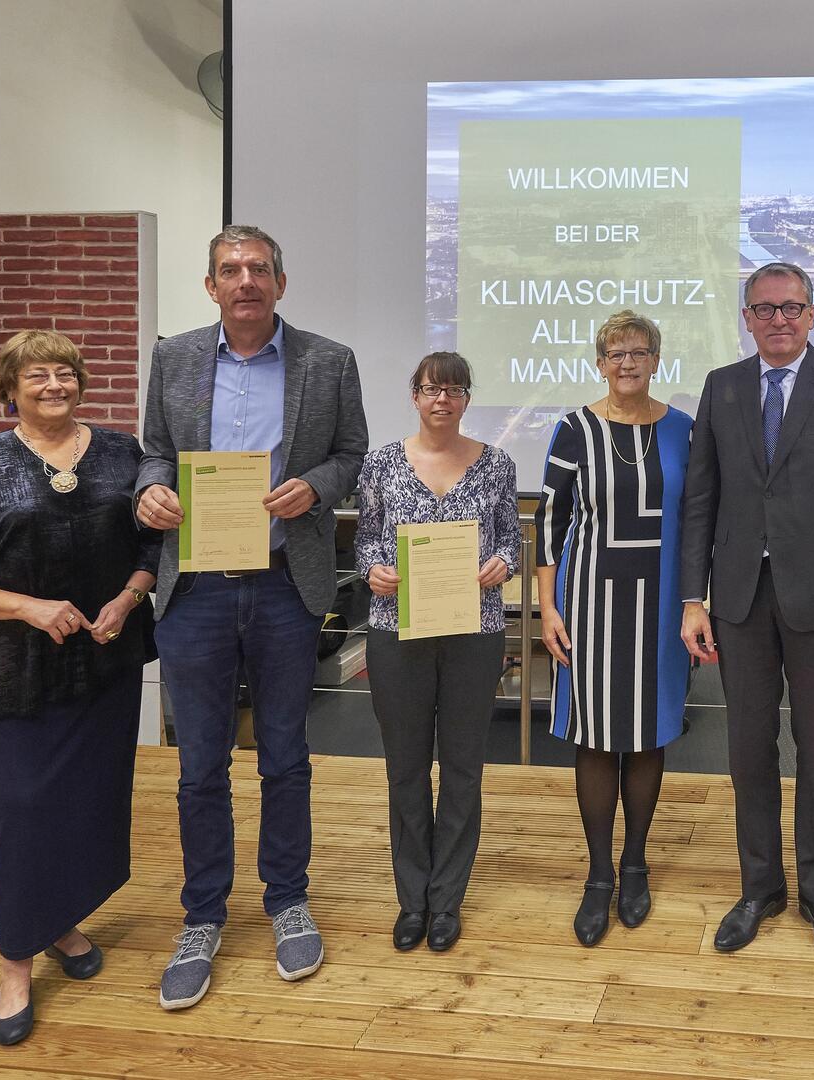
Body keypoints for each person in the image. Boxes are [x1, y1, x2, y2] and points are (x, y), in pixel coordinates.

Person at [136, 226, 367, 1009]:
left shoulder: (328, 361)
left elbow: (352, 453)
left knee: (285, 757)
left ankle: (287, 900)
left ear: (280, 282)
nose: (245, 281)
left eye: (259, 269)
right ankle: (202, 916)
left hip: (282, 586)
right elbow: (154, 451)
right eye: (230, 270)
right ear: (211, 286)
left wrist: (317, 486)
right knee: (199, 765)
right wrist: (150, 489)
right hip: (195, 591)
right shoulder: (173, 359)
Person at [0, 330, 159, 1045]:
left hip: (102, 668)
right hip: (8, 676)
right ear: (10, 389)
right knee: (19, 815)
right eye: (37, 375)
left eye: (65, 372)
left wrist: (129, 598)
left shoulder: (121, 453)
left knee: (84, 808)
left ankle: (59, 923)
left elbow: (152, 545)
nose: (55, 385)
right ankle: (15, 964)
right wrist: (28, 607)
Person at [679, 261, 814, 965]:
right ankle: (760, 888)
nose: (778, 319)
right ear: (747, 318)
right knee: (747, 749)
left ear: (811, 314)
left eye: (791, 307)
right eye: (764, 309)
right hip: (738, 598)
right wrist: (693, 598)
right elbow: (701, 500)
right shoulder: (722, 386)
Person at [535, 311, 692, 947]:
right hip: (588, 603)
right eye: (615, 352)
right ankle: (599, 873)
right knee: (596, 737)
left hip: (663, 603)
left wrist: (698, 601)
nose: (627, 362)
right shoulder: (573, 429)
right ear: (599, 363)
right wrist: (548, 608)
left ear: (656, 360)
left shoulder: (684, 430)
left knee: (650, 732)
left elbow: (700, 519)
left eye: (638, 351)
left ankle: (635, 863)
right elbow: (550, 523)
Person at [356, 352, 518, 953]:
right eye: (431, 389)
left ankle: (446, 898)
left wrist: (504, 563)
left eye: (453, 390)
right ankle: (412, 899)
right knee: (404, 768)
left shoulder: (497, 464)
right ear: (415, 396)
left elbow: (511, 540)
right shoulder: (380, 463)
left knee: (462, 767)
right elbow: (365, 540)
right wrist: (372, 570)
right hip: (397, 631)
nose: (442, 399)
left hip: (474, 632)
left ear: (467, 398)